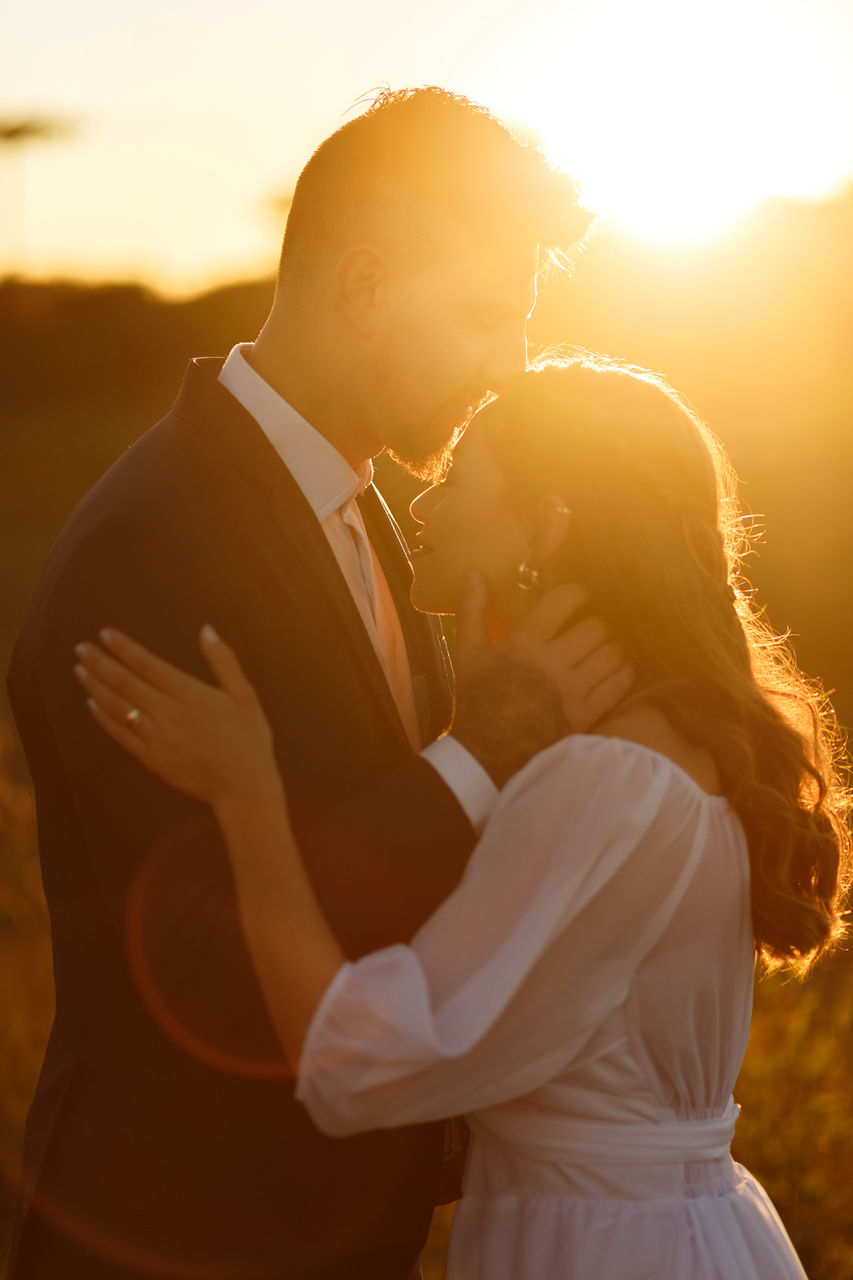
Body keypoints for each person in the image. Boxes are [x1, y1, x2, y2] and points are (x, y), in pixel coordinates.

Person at [5, 90, 620, 1280]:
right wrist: (483, 750)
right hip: (179, 1237)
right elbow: (190, 952)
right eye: (487, 315)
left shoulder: (368, 514)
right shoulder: (156, 538)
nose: (511, 366)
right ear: (368, 286)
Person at [74, 354, 849, 1279]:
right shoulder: (666, 743)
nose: (422, 505)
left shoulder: (603, 781)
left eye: (456, 478)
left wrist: (247, 796)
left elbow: (355, 1066)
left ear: (544, 526)